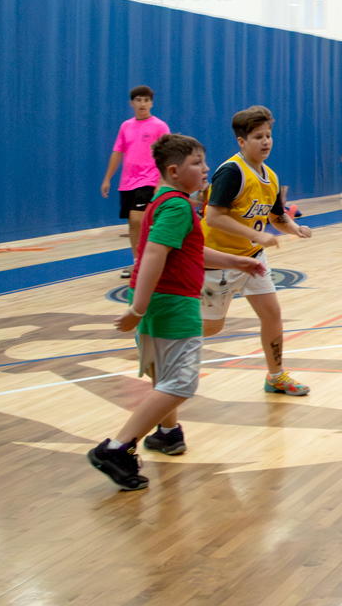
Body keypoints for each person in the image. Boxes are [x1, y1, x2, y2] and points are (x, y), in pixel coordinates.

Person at [87, 134, 266, 489]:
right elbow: (154, 253)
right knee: (181, 383)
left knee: (164, 377)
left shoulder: (164, 201)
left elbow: (186, 250)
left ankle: (167, 433)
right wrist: (138, 308)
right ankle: (116, 448)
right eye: (197, 163)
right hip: (172, 303)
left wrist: (236, 261)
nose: (206, 169)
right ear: (173, 171)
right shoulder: (178, 207)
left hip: (159, 302)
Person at [202, 106, 313, 396]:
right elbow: (212, 217)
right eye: (258, 137)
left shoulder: (271, 177)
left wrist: (295, 228)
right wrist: (256, 235)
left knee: (272, 315)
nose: (266, 142)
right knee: (211, 327)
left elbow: (277, 216)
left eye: (268, 135)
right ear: (241, 141)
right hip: (218, 262)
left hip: (252, 259)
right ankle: (157, 334)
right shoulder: (231, 172)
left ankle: (275, 376)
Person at [100, 85, 170, 279]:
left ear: (151, 103)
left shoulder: (160, 126)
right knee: (133, 224)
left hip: (149, 181)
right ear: (132, 103)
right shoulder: (126, 126)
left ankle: (152, 262)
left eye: (146, 100)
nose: (142, 104)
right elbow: (117, 152)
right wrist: (107, 179)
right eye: (139, 100)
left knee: (138, 219)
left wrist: (161, 182)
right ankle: (138, 262)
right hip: (127, 183)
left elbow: (167, 155)